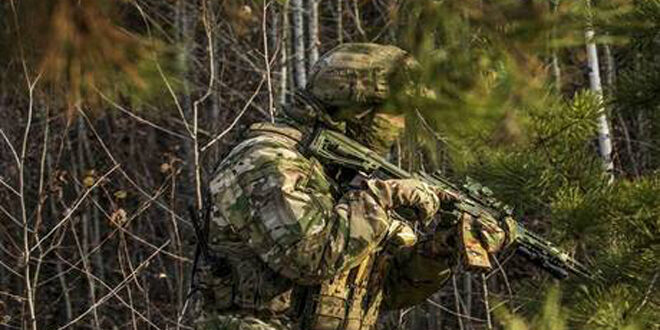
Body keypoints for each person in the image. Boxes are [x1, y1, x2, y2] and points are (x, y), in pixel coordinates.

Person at [196, 43, 514, 330]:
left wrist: (441, 249)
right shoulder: (266, 161)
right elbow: (311, 258)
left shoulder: (344, 173)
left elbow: (385, 289)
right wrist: (383, 197)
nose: (401, 126)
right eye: (395, 113)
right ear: (356, 110)